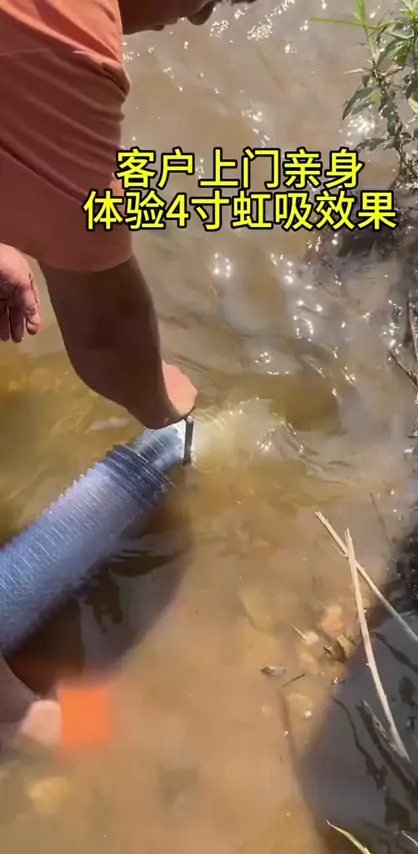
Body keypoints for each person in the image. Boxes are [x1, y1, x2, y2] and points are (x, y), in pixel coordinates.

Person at [0, 0, 255, 752]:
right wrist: (169, 418)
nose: (201, 20)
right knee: (90, 739)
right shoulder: (69, 45)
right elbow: (108, 331)